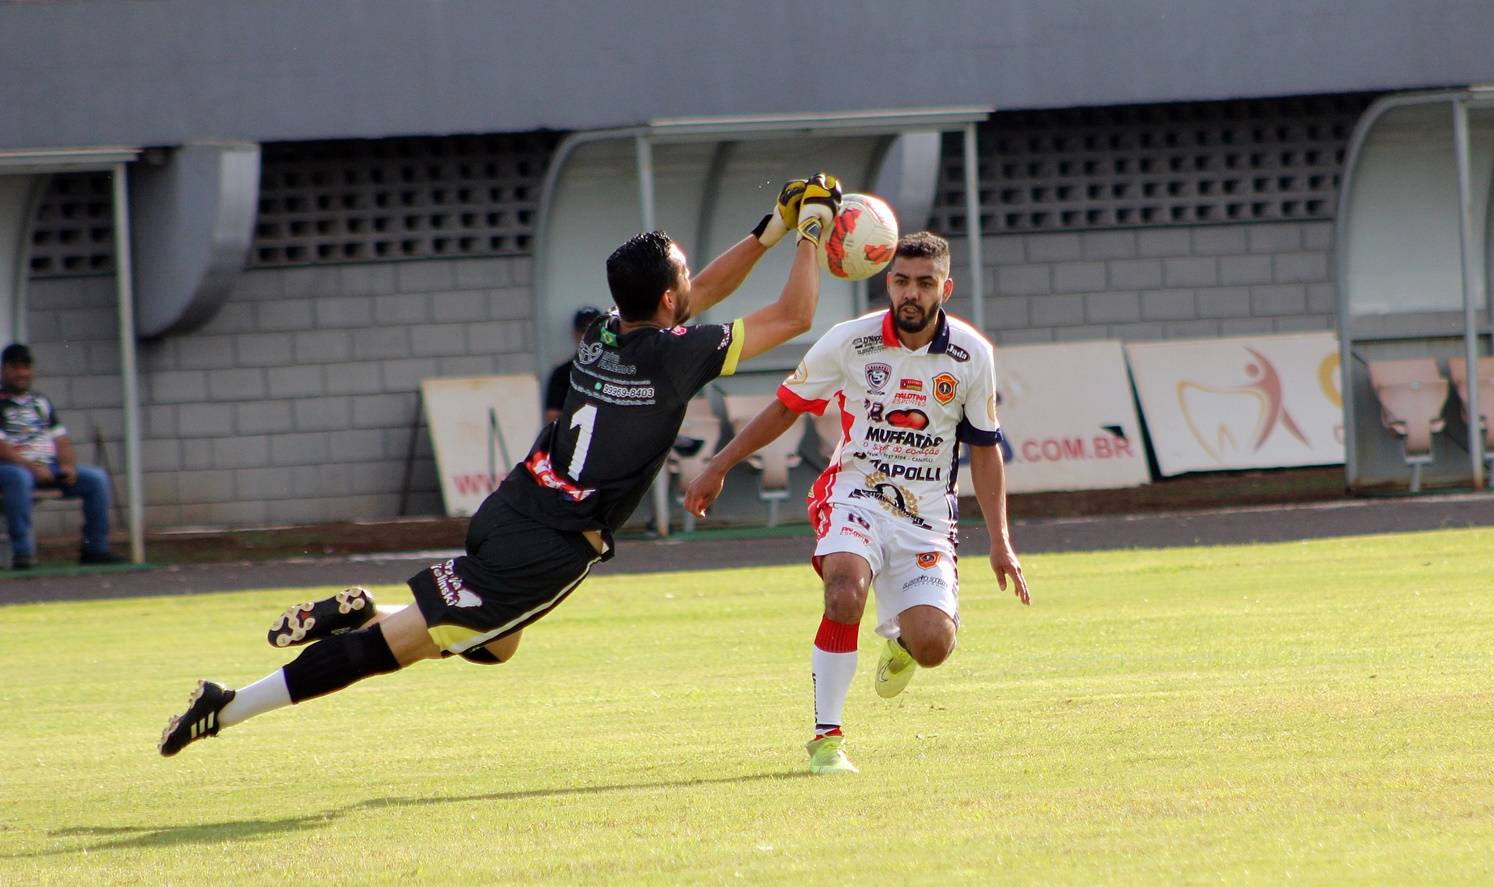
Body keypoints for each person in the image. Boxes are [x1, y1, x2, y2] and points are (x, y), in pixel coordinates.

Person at [158, 173, 841, 756]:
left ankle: (372, 607)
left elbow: (699, 293)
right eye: (682, 280)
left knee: (495, 644)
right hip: (550, 543)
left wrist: (771, 229)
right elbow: (797, 311)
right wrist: (813, 229)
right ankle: (229, 704)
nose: (692, 287)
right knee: (393, 650)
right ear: (667, 301)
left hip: (515, 505)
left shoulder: (606, 331)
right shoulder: (674, 356)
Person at [684, 231, 1031, 775]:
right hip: (857, 492)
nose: (910, 293)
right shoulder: (851, 341)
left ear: (946, 287)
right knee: (844, 590)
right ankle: (827, 738)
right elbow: (785, 407)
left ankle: (902, 643)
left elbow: (985, 451)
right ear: (886, 281)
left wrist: (1001, 541)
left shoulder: (971, 354)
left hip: (925, 516)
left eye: (924, 283)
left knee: (934, 647)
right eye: (900, 281)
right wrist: (718, 465)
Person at [0, 343, 124, 570]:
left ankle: (95, 548)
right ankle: (23, 554)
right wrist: (32, 468)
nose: (22, 373)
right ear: (5, 370)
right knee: (19, 478)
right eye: (15, 368)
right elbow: (2, 448)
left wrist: (67, 465)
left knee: (95, 479)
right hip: (11, 469)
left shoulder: (40, 402)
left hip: (47, 467)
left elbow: (61, 439)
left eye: (26, 367)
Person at [543, 305, 605, 423]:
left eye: (593, 330)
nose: (588, 336)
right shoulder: (562, 374)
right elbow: (552, 417)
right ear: (574, 334)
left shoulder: (618, 368)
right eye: (583, 330)